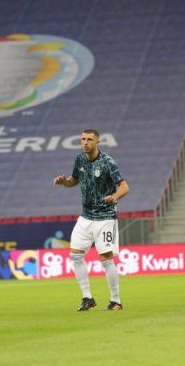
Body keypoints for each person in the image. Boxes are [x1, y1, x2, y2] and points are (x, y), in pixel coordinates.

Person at [53, 129, 129, 311]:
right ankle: (87, 298)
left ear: (97, 142)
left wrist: (115, 197)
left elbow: (124, 187)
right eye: (83, 139)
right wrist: (65, 182)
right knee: (75, 254)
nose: (85, 142)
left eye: (89, 139)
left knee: (105, 258)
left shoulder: (107, 162)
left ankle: (116, 300)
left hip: (105, 217)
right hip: (86, 216)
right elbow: (75, 180)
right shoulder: (79, 159)